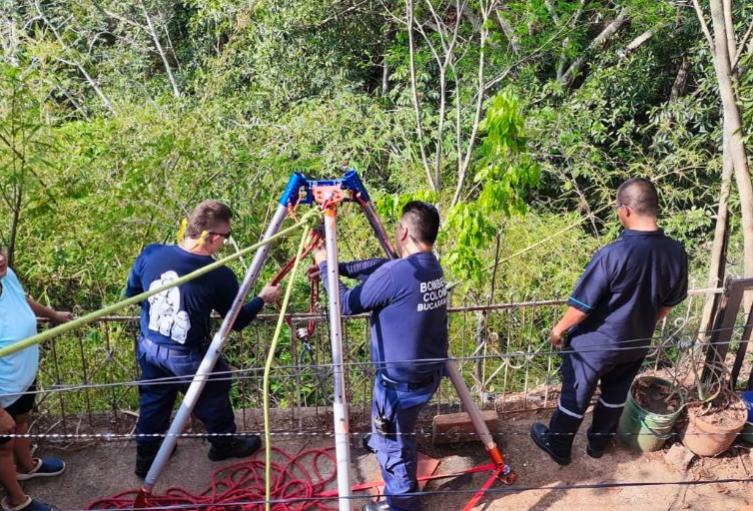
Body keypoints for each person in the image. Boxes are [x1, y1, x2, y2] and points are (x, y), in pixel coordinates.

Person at [530, 178, 688, 465]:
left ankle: (559, 446)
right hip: (636, 342)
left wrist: (558, 329)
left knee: (576, 396)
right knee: (615, 395)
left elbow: (581, 308)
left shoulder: (613, 254)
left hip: (595, 344)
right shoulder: (676, 253)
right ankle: (597, 445)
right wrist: (642, 322)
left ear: (626, 210)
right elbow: (667, 305)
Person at [125, 200, 281, 478]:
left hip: (150, 345)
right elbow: (238, 320)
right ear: (212, 237)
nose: (226, 241)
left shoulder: (151, 254)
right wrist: (262, 299)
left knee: (154, 400)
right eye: (226, 236)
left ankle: (147, 457)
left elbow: (133, 294)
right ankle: (222, 444)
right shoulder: (218, 276)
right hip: (184, 354)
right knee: (213, 391)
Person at [313, 201, 448, 511]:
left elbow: (345, 303)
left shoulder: (398, 273)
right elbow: (382, 266)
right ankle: (383, 438)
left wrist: (324, 264)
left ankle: (401, 504)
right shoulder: (430, 265)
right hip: (426, 374)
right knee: (395, 429)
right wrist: (341, 267)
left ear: (402, 231)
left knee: (395, 449)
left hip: (399, 386)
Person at [0, 247, 72, 511]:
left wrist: (52, 315)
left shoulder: (6, 275)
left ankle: (26, 467)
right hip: (1, 390)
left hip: (21, 376)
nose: (0, 257)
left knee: (21, 422)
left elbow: (23, 299)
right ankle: (16, 501)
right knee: (2, 446)